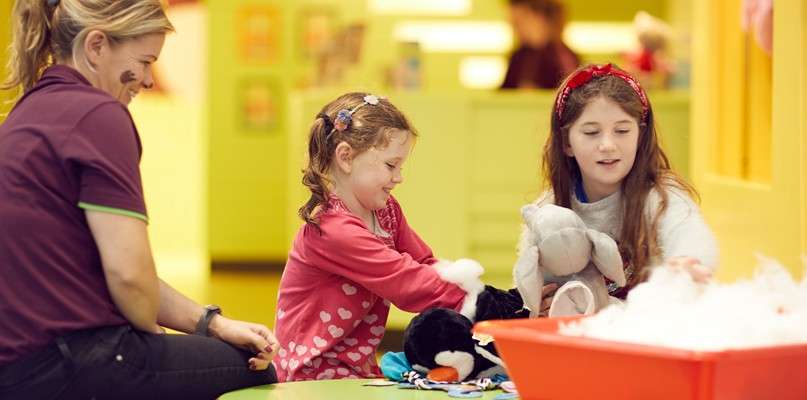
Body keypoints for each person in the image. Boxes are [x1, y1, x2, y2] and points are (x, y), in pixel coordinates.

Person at [0, 1, 278, 398]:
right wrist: (151, 339)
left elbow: (129, 277)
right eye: (145, 61)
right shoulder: (97, 113)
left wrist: (213, 324)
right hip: (70, 363)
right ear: (96, 46)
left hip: (22, 366)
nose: (148, 79)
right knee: (255, 372)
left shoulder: (28, 111)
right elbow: (130, 277)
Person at [273, 93, 497, 382]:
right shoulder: (331, 229)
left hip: (357, 368)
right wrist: (486, 304)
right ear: (346, 157)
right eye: (391, 166)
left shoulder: (386, 212)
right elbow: (407, 283)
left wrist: (475, 296)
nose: (399, 177)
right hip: (311, 373)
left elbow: (424, 262)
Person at [523, 63, 718, 299]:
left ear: (640, 136)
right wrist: (538, 304)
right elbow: (531, 284)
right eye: (592, 132)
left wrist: (687, 265)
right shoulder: (549, 210)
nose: (608, 145)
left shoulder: (662, 196)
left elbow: (691, 236)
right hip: (581, 332)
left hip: (651, 327)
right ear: (566, 142)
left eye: (622, 131)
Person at [500, 0, 580, 90]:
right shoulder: (518, 57)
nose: (515, 30)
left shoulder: (563, 57)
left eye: (518, 22)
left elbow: (572, 96)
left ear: (539, 18)